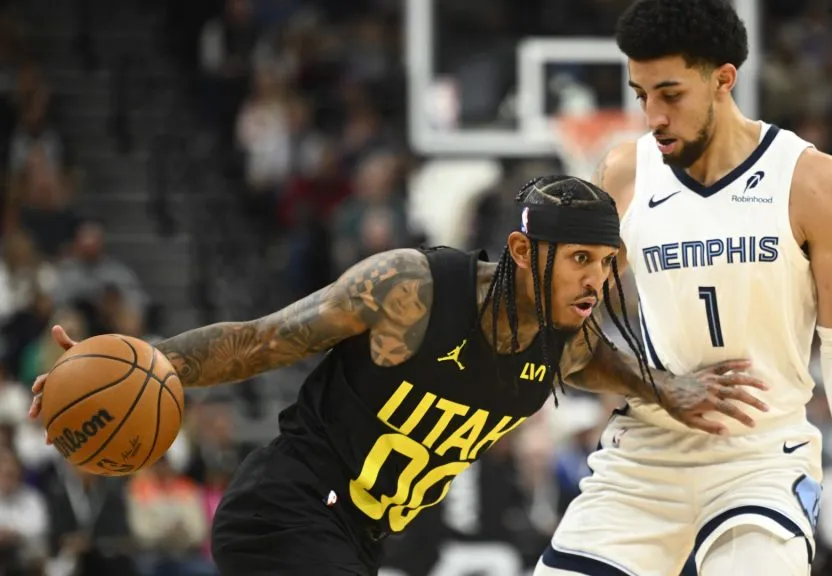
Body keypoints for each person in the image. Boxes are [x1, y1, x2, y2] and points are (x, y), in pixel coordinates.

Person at [30, 175, 768, 576]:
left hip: (361, 540)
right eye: (580, 259)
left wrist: (661, 384)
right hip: (287, 511)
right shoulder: (410, 292)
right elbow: (260, 342)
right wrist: (155, 359)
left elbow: (598, 361)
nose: (594, 281)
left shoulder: (563, 345)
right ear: (521, 249)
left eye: (605, 265)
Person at [534, 2, 832, 576]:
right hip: (646, 452)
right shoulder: (623, 174)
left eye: (671, 94)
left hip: (762, 457)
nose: (654, 116)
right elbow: (563, 326)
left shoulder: (813, 182)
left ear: (723, 79)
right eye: (641, 96)